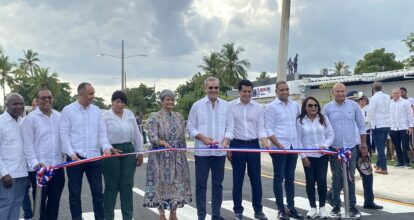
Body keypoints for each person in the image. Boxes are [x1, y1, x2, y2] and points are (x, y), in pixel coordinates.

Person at [60, 82, 115, 220]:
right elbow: (64, 135)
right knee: (74, 194)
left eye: (93, 93)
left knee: (97, 193)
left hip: (94, 158)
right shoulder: (68, 110)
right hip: (75, 158)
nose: (93, 96)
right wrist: (71, 153)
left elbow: (102, 134)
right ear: (81, 94)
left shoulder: (97, 111)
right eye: (90, 94)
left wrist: (107, 148)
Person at [144, 89, 192, 220]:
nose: (170, 102)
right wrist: (162, 143)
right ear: (162, 101)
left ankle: (174, 212)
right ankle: (161, 213)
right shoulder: (154, 116)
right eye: (167, 99)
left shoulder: (179, 116)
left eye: (172, 99)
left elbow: (182, 137)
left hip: (177, 156)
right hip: (160, 157)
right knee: (160, 185)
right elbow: (152, 137)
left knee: (176, 183)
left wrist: (184, 150)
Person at [187, 77, 231, 220]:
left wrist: (226, 140)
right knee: (201, 186)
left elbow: (230, 127)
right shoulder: (197, 105)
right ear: (205, 88)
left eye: (216, 88)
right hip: (202, 153)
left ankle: (216, 215)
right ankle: (201, 216)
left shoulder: (226, 105)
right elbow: (190, 127)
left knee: (217, 185)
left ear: (219, 89)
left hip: (219, 153)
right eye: (210, 87)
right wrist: (202, 138)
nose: (213, 90)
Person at [226, 80, 269, 220]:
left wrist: (265, 141)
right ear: (239, 92)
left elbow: (261, 128)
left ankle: (259, 210)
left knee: (256, 179)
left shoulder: (258, 107)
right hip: (236, 145)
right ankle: (238, 210)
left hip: (253, 145)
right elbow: (228, 128)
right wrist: (227, 147)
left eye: (249, 91)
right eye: (244, 91)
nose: (247, 94)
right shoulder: (230, 106)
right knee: (237, 179)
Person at [323, 83, 367, 218]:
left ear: (345, 92)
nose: (340, 94)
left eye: (342, 91)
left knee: (350, 176)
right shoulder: (327, 108)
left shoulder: (353, 106)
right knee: (336, 176)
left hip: (350, 147)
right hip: (334, 148)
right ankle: (336, 205)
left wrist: (363, 145)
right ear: (333, 92)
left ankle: (352, 205)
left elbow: (361, 125)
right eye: (338, 91)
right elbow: (323, 128)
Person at [22, 88, 65, 220]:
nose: (47, 100)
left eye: (49, 97)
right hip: (39, 170)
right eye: (43, 98)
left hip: (57, 168)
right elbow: (28, 145)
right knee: (39, 203)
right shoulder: (30, 119)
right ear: (37, 100)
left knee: (54, 202)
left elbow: (65, 138)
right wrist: (35, 165)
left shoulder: (59, 117)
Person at [101, 91, 145, 220]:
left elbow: (137, 134)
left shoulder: (130, 114)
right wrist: (108, 148)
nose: (120, 105)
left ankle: (128, 217)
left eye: (122, 102)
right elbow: (102, 136)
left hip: (128, 149)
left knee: (127, 185)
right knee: (111, 186)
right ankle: (108, 216)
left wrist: (140, 153)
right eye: (117, 101)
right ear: (112, 102)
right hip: (111, 151)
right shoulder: (105, 116)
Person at [264, 81, 303, 220]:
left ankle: (291, 207)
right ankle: (281, 209)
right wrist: (277, 144)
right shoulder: (271, 107)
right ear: (276, 92)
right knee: (278, 178)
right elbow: (268, 128)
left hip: (293, 147)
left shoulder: (294, 106)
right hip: (278, 148)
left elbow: (298, 126)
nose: (285, 92)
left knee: (290, 179)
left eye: (287, 89)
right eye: (282, 90)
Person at [296, 96, 334, 219]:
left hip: (322, 155)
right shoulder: (300, 121)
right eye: (310, 105)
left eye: (316, 105)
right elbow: (298, 140)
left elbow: (331, 135)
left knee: (322, 180)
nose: (313, 108)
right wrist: (303, 156)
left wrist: (325, 145)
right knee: (310, 181)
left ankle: (322, 208)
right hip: (308, 156)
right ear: (305, 108)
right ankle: (312, 208)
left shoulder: (323, 119)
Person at [347, 91, 383, 210]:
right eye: (354, 100)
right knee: (347, 176)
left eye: (358, 100)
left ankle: (369, 201)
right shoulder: (345, 113)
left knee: (367, 174)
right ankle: (331, 195)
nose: (357, 102)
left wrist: (364, 146)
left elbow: (363, 131)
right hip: (349, 147)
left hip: (360, 147)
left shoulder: (361, 112)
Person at [0, 93, 28, 220]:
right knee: (5, 204)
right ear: (7, 105)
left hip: (22, 173)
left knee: (17, 204)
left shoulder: (22, 122)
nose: (19, 106)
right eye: (15, 103)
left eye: (21, 103)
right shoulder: (1, 122)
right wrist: (3, 173)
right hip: (7, 175)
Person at [367, 81, 390, 174]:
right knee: (382, 145)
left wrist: (366, 122)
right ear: (381, 88)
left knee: (379, 148)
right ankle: (378, 164)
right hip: (387, 124)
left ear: (373, 89)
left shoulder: (373, 98)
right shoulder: (387, 96)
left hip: (378, 125)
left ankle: (384, 168)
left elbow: (370, 112)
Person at [21, 98, 38, 220]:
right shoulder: (24, 121)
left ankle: (37, 214)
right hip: (23, 165)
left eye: (37, 105)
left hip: (37, 166)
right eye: (33, 105)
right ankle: (28, 215)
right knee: (23, 193)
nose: (35, 107)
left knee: (37, 193)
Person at [389, 88, 413, 168]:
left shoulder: (406, 102)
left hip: (404, 127)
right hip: (393, 128)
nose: (395, 95)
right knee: (397, 145)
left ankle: (406, 162)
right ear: (392, 94)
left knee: (405, 145)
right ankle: (400, 162)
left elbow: (410, 115)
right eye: (394, 93)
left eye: (397, 93)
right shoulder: (390, 103)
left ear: (400, 93)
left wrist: (410, 127)